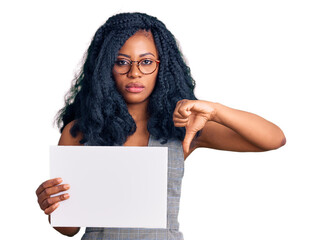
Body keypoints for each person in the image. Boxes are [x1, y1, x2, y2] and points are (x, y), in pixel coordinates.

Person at [35, 12, 286, 240]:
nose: (134, 73)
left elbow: (273, 139)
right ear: (105, 68)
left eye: (146, 62)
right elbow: (68, 229)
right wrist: (51, 205)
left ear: (161, 67)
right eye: (122, 62)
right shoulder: (81, 132)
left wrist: (216, 110)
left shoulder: (181, 128)